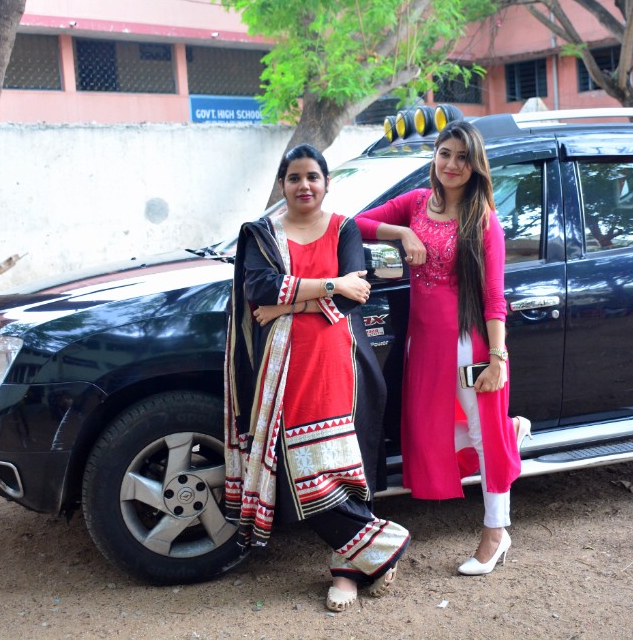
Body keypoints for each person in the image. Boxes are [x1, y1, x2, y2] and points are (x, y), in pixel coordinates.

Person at [224, 144, 409, 612]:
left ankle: (345, 570)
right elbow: (258, 287)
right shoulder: (262, 234)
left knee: (346, 469)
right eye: (294, 177)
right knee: (299, 470)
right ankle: (381, 546)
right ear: (282, 185)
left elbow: (356, 293)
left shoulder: (344, 227)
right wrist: (329, 284)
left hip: (342, 367)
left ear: (326, 183)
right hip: (282, 372)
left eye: (313, 176)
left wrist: (288, 305)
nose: (304, 185)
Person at [355, 120, 529, 576]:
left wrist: (497, 359)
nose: (452, 164)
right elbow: (356, 224)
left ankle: (496, 531)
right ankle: (509, 437)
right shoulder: (415, 204)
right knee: (427, 433)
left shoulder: (484, 221)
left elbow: (495, 297)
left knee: (483, 434)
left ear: (475, 167)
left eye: (462, 157)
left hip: (467, 341)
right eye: (444, 153)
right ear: (434, 157)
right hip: (423, 342)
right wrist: (403, 234)